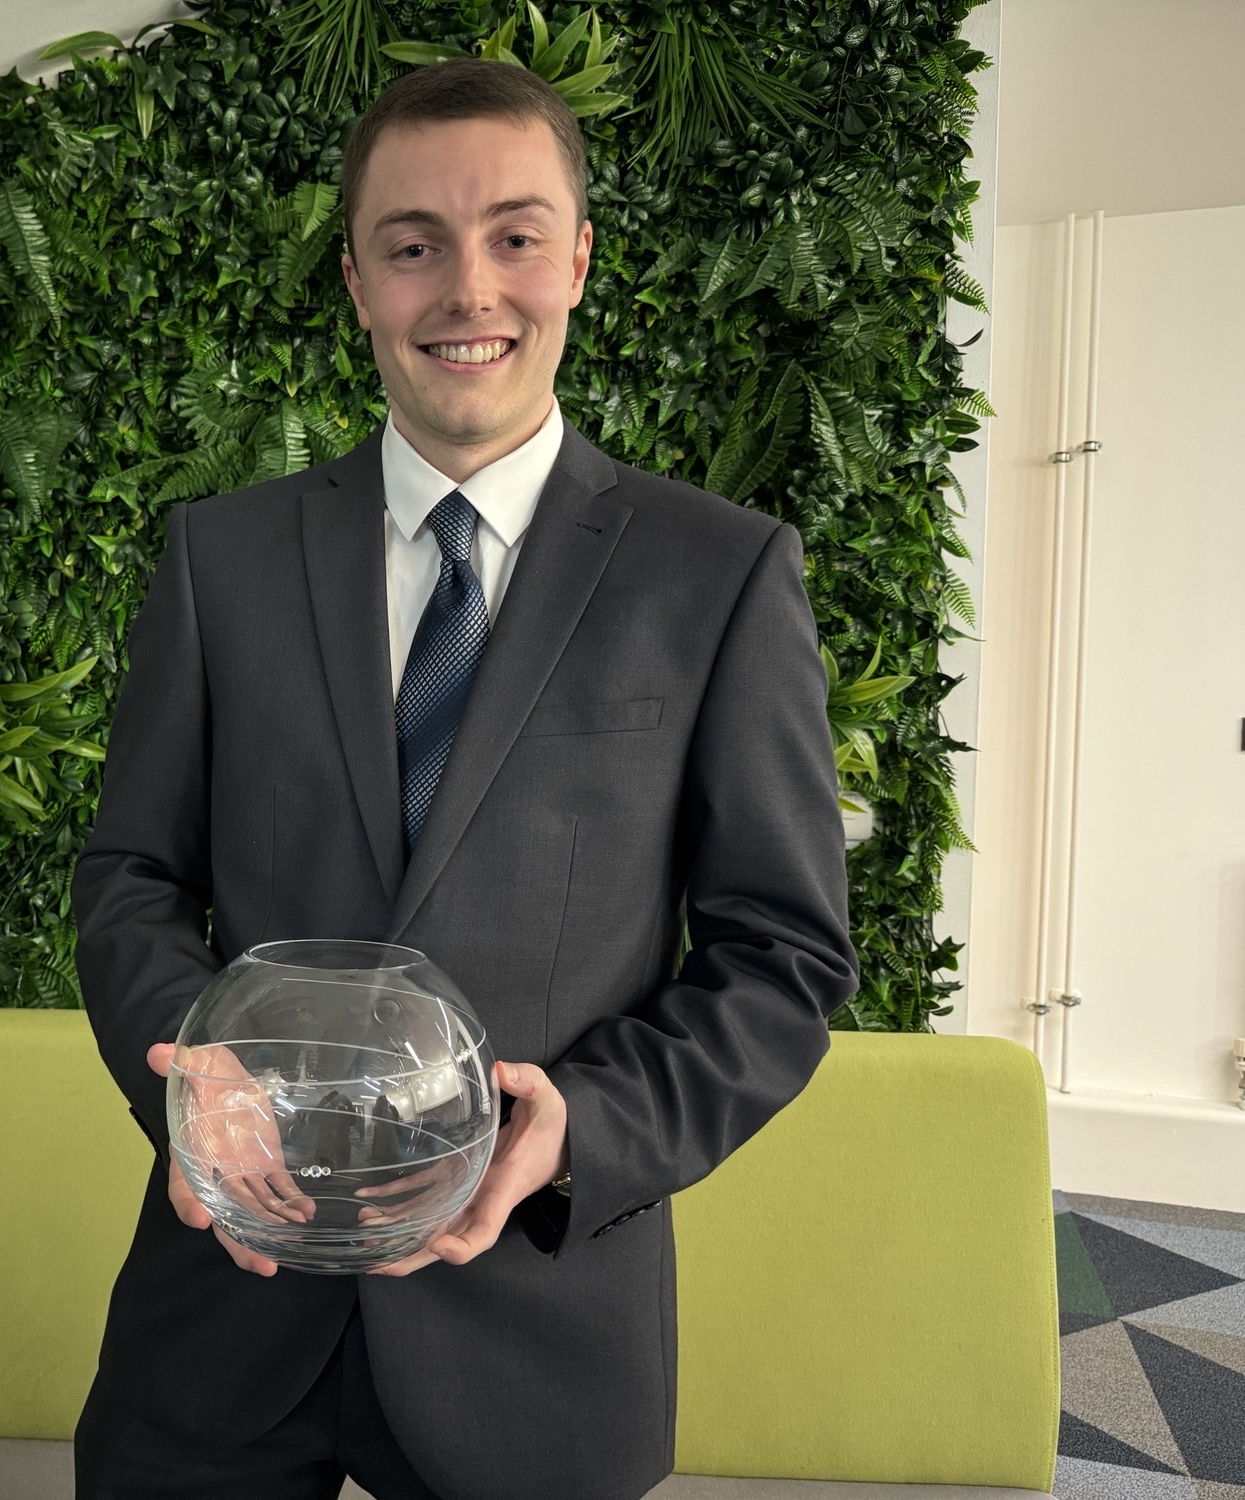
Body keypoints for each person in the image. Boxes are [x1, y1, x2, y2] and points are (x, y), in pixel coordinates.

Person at [70, 57, 858, 1500]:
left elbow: (783, 956)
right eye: (413, 244)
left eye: (514, 235)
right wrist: (188, 1076)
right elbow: (132, 876)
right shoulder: (221, 559)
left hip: (538, 1331)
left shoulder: (721, 574)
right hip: (224, 1310)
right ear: (359, 282)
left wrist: (587, 1129)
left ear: (579, 261)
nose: (468, 289)